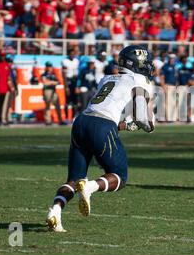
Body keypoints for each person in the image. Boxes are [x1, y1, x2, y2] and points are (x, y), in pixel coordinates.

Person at [46, 45, 155, 232]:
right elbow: (142, 118)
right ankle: (89, 187)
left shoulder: (107, 78)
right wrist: (146, 126)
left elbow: (110, 107)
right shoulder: (140, 80)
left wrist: (126, 125)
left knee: (73, 178)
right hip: (103, 126)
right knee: (119, 176)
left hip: (81, 122)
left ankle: (55, 210)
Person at [41, 62, 63, 126]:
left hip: (53, 90)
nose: (50, 68)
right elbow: (45, 83)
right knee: (48, 106)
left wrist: (51, 82)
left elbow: (58, 82)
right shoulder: (44, 74)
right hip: (47, 90)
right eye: (49, 66)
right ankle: (48, 121)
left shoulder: (53, 74)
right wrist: (53, 82)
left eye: (50, 66)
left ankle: (60, 120)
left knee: (57, 105)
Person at [62, 49, 80, 116]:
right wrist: (66, 86)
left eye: (73, 54)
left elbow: (78, 74)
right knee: (68, 100)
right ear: (68, 54)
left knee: (75, 100)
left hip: (74, 80)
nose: (72, 55)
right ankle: (66, 117)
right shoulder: (65, 61)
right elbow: (64, 74)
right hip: (68, 80)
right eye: (71, 54)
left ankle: (73, 117)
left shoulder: (76, 61)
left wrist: (77, 85)